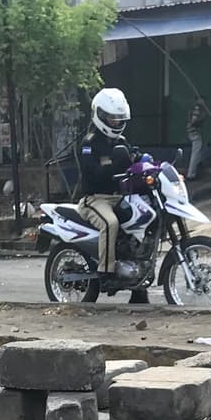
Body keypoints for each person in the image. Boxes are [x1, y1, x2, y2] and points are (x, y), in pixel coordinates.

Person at [80, 87, 148, 304]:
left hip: (119, 197)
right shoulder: (90, 143)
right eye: (112, 118)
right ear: (100, 116)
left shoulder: (121, 141)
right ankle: (106, 273)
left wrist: (143, 160)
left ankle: (138, 284)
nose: (116, 123)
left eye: (119, 119)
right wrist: (114, 165)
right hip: (95, 199)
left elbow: (133, 157)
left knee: (141, 225)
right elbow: (92, 173)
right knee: (111, 223)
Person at [186, 99, 206, 181]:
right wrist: (195, 125)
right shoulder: (197, 108)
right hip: (194, 132)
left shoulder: (197, 108)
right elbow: (193, 121)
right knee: (196, 152)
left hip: (195, 132)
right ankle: (191, 174)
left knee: (200, 149)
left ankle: (198, 165)